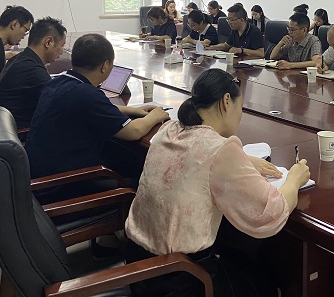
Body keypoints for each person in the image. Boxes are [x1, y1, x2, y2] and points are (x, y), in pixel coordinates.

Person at [124, 68, 310, 296]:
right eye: (240, 107)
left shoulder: (169, 128)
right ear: (226, 101)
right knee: (267, 283)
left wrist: (242, 159)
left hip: (138, 262)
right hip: (180, 277)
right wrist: (294, 179)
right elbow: (270, 212)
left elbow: (197, 157)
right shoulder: (220, 149)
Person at [25, 33, 171, 199]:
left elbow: (87, 107)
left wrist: (132, 110)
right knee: (142, 181)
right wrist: (155, 116)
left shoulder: (59, 82)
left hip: (41, 179)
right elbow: (134, 131)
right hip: (63, 187)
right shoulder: (88, 95)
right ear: (105, 66)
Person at [0, 17, 67, 130]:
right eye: (62, 45)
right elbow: (58, 109)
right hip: (22, 134)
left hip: (6, 127)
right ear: (48, 42)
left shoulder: (20, 59)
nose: (62, 51)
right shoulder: (33, 71)